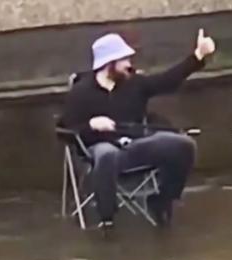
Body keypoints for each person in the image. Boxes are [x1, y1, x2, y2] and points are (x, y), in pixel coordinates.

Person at [62, 29, 216, 228]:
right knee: (106, 153)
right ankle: (107, 221)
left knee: (183, 145)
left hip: (136, 147)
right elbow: (65, 129)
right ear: (109, 63)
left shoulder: (135, 83)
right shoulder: (81, 92)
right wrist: (90, 125)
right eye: (124, 60)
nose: (129, 64)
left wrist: (198, 56)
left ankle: (162, 200)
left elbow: (167, 81)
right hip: (99, 152)